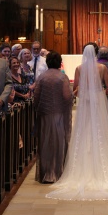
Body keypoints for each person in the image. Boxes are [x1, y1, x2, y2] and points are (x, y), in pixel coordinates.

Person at [46, 44, 108, 200]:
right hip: (99, 100)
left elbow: (77, 88)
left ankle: (83, 164)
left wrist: (84, 95)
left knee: (84, 130)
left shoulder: (79, 68)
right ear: (97, 54)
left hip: (85, 101)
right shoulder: (102, 68)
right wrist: (100, 92)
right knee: (100, 129)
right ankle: (102, 165)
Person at [34, 51, 73, 183]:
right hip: (59, 115)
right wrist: (73, 95)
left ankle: (46, 173)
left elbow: (36, 96)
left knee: (45, 143)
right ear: (59, 62)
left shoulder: (41, 76)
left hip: (45, 114)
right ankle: (57, 172)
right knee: (58, 143)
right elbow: (67, 96)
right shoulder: (62, 77)